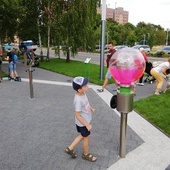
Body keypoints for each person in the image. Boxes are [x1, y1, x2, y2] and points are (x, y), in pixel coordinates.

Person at [65, 76, 97, 162]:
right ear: (79, 89)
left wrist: (91, 108)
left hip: (84, 122)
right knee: (86, 137)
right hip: (83, 123)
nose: (88, 86)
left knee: (82, 136)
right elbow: (77, 115)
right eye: (85, 86)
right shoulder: (78, 100)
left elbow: (86, 103)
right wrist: (87, 125)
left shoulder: (83, 93)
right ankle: (86, 155)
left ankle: (70, 148)